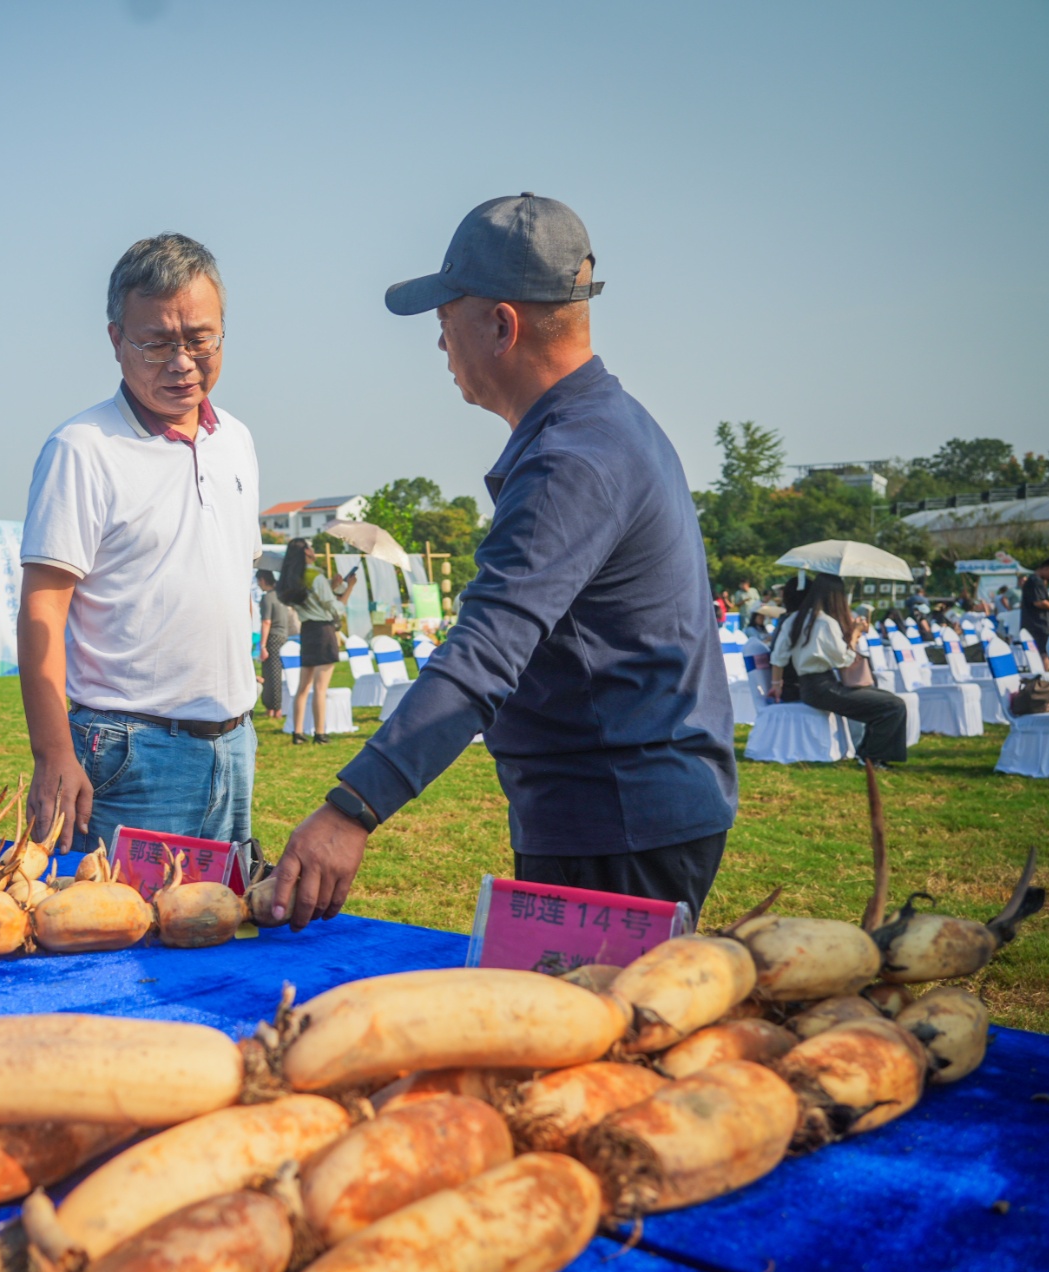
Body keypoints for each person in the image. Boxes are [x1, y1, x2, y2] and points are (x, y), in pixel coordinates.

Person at [272, 194, 736, 928]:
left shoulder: (572, 461)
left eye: (444, 317)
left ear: (500, 325)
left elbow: (485, 653)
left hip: (616, 818)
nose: (439, 343)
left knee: (591, 1005)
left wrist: (352, 808)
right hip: (624, 808)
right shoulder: (608, 428)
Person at [18, 233, 261, 853]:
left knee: (214, 911)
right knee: (117, 913)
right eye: (155, 343)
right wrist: (53, 754)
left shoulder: (235, 440)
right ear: (116, 339)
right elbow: (43, 608)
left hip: (233, 744)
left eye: (201, 339)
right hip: (130, 751)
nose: (182, 362)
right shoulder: (83, 448)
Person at [767, 574, 907, 766]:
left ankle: (868, 754)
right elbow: (844, 659)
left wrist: (776, 685)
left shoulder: (794, 620)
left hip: (810, 687)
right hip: (824, 687)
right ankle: (871, 756)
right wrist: (855, 633)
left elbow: (778, 658)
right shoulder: (825, 623)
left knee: (887, 701)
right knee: (893, 705)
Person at [278, 538, 346, 744]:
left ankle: (298, 733)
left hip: (307, 631)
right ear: (306, 552)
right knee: (320, 687)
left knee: (303, 686)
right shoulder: (315, 575)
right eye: (311, 547)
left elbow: (313, 599)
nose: (313, 549)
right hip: (323, 631)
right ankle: (320, 732)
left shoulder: (292, 578)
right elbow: (334, 608)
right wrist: (348, 588)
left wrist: (331, 586)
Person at [256, 569, 298, 719]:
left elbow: (266, 622)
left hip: (272, 637)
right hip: (283, 637)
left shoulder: (268, 597)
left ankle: (275, 709)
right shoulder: (281, 595)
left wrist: (262, 646)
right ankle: (272, 707)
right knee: (275, 673)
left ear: (262, 580)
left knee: (271, 674)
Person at [1022, 558, 1049, 647]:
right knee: (1043, 652)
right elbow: (1039, 603)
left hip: (1037, 626)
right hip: (1038, 627)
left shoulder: (1036, 580)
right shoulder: (1036, 581)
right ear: (1047, 568)